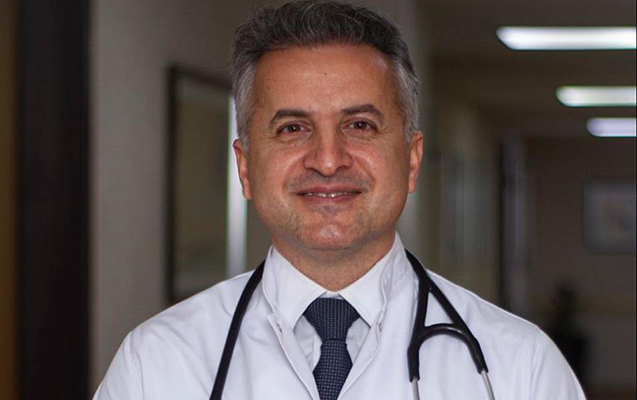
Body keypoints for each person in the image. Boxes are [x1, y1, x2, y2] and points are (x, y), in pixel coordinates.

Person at [93, 1, 587, 399]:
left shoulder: (519, 367)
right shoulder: (156, 364)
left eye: (360, 125)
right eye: (292, 128)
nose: (328, 160)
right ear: (245, 167)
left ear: (412, 160)